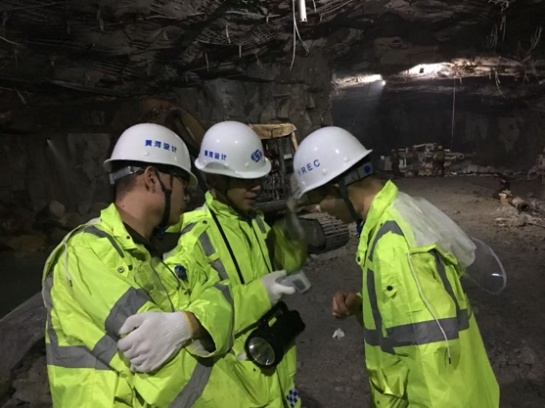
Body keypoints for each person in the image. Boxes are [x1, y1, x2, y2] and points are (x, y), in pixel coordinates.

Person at [42, 123, 250, 407]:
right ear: (152, 179)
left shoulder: (145, 257)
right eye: (182, 182)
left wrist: (189, 322)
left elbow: (221, 296)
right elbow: (167, 371)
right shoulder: (87, 252)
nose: (187, 196)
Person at [291, 126, 499, 408]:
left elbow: (431, 360)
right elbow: (409, 315)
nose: (319, 209)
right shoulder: (401, 209)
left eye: (318, 200)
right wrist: (364, 305)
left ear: (338, 188)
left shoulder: (393, 247)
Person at [163, 121, 308, 408]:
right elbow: (198, 322)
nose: (257, 187)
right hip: (239, 388)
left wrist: (291, 240)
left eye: (258, 177)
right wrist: (260, 294)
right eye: (245, 180)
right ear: (215, 179)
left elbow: (279, 269)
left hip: (275, 369)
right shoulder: (193, 239)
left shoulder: (253, 221)